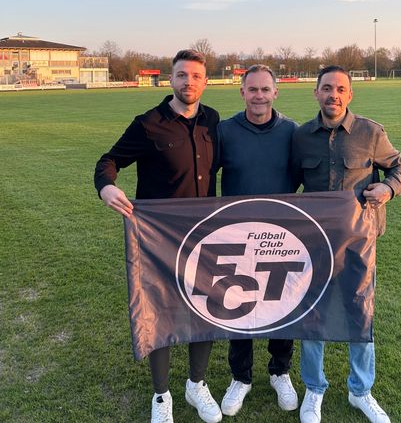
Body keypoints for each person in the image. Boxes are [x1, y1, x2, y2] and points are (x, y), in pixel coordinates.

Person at [94, 49, 222, 423]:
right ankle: (161, 395)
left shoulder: (213, 120)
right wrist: (106, 187)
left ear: (205, 81)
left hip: (204, 236)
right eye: (182, 75)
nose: (188, 82)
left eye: (195, 76)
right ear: (171, 79)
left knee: (205, 309)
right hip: (158, 241)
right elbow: (109, 160)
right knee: (160, 313)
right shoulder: (148, 123)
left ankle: (196, 384)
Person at [291, 65, 401, 423]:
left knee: (360, 312)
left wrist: (388, 188)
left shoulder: (371, 132)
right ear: (316, 92)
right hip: (315, 243)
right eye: (327, 88)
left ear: (350, 94)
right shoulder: (301, 136)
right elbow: (288, 185)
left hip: (359, 244)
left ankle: (361, 390)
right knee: (312, 315)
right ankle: (314, 388)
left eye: (341, 89)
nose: (333, 95)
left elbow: (398, 165)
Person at [217, 64, 299, 417]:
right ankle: (241, 377)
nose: (259, 96)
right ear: (242, 92)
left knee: (282, 302)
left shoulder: (292, 132)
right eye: (253, 89)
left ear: (275, 92)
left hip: (281, 235)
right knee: (238, 304)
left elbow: (305, 176)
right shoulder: (224, 131)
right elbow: (202, 173)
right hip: (236, 234)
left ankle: (280, 371)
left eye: (266, 89)